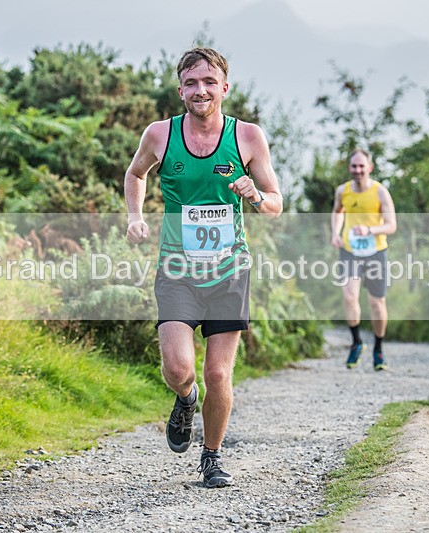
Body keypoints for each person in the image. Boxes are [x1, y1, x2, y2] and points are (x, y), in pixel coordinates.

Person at [124, 47, 282, 488]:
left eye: (209, 82)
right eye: (191, 83)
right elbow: (135, 174)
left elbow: (275, 204)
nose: (201, 90)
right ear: (180, 90)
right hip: (177, 269)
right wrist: (135, 216)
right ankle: (186, 397)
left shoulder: (247, 137)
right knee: (179, 369)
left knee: (218, 372)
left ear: (224, 88)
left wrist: (254, 195)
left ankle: (211, 456)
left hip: (230, 270)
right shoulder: (160, 134)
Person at [330, 148, 397, 371]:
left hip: (375, 251)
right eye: (354, 166)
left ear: (370, 167)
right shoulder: (343, 191)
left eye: (361, 166)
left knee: (377, 303)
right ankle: (357, 342)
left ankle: (378, 348)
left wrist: (370, 230)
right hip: (350, 250)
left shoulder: (380, 192)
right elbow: (337, 212)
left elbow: (391, 225)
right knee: (349, 296)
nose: (357, 170)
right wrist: (335, 233)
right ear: (349, 167)